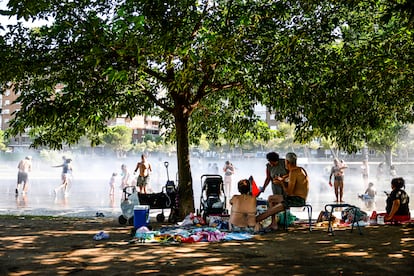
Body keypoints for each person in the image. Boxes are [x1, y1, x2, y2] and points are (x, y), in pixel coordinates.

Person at [256, 152, 309, 231]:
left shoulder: (293, 173)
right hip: (295, 198)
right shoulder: (299, 170)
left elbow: (289, 193)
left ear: (287, 162)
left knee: (269, 212)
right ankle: (273, 224)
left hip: (296, 200)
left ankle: (253, 220)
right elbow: (287, 177)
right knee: (271, 198)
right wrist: (282, 179)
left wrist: (281, 183)